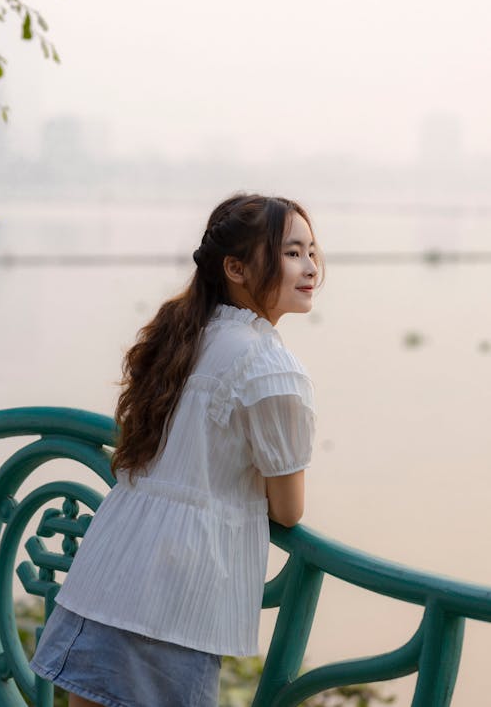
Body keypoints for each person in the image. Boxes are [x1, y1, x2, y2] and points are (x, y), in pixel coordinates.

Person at [29, 192, 324, 707]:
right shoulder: (271, 366)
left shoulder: (187, 333)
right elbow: (289, 509)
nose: (310, 267)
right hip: (175, 599)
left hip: (108, 572)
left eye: (312, 251)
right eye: (291, 252)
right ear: (235, 267)